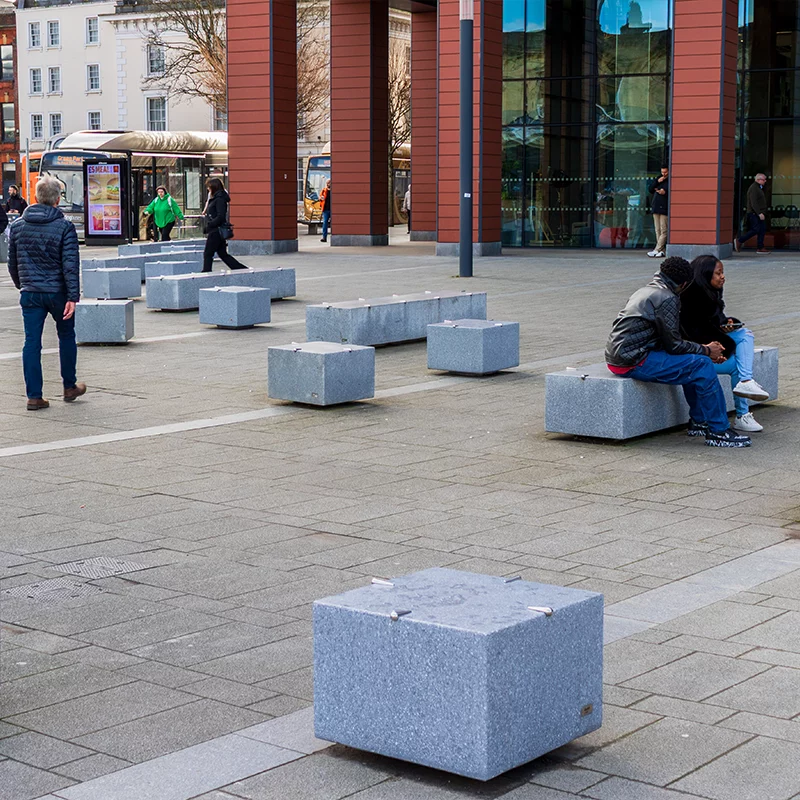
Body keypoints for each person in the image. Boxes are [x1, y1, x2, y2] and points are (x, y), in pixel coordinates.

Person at [605, 256, 751, 448]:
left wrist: (702, 350)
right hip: (633, 360)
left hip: (620, 356)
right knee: (701, 364)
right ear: (684, 282)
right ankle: (719, 431)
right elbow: (674, 345)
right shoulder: (667, 298)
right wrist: (707, 350)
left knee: (692, 361)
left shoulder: (647, 289)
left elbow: (671, 342)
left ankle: (699, 422)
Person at [7, 176, 85, 411]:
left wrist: (23, 284)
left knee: (31, 342)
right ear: (58, 199)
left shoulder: (18, 225)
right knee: (66, 336)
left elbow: (12, 262)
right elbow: (70, 265)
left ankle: (34, 395)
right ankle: (69, 386)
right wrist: (73, 297)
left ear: (36, 198)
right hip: (57, 293)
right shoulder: (64, 227)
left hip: (30, 293)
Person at [681, 255, 769, 433]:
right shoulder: (690, 298)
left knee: (744, 335)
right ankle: (743, 406)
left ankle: (745, 388)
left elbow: (714, 324)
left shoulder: (710, 293)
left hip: (709, 347)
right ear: (705, 275)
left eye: (723, 273)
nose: (723, 277)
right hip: (694, 353)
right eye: (718, 273)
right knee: (739, 355)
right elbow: (695, 334)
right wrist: (721, 348)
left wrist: (727, 323)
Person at [202, 177, 248, 273]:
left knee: (208, 253)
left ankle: (206, 272)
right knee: (222, 254)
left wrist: (210, 225)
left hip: (216, 230)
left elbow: (220, 216)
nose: (208, 189)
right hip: (216, 230)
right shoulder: (218, 198)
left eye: (209, 187)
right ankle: (241, 269)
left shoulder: (219, 200)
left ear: (214, 187)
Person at [734, 173, 770, 254]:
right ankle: (740, 240)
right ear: (758, 180)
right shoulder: (754, 188)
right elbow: (754, 202)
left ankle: (760, 247)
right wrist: (759, 213)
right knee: (756, 229)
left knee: (762, 230)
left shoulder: (759, 188)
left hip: (758, 213)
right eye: (763, 180)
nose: (765, 181)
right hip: (754, 213)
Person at [647, 166, 669, 258]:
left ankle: (657, 249)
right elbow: (650, 189)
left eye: (665, 172)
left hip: (664, 207)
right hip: (656, 206)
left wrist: (665, 192)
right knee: (657, 230)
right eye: (662, 172)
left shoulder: (670, 180)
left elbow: (669, 191)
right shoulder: (659, 178)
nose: (664, 174)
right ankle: (662, 250)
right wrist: (657, 182)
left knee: (664, 229)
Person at [320, 179, 331, 243]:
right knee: (325, 223)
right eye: (327, 183)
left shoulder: (333, 191)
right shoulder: (324, 190)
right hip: (325, 209)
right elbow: (320, 197)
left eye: (329, 183)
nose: (328, 184)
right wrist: (321, 198)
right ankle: (324, 237)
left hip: (332, 209)